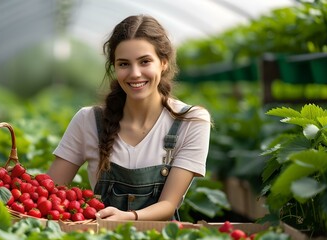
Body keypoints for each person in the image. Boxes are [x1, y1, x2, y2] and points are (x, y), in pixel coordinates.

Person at [47, 14, 211, 221]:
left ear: (163, 63)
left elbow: (168, 205)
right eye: (124, 64)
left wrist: (128, 217)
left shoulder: (190, 121)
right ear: (114, 67)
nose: (135, 73)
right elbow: (49, 190)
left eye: (144, 62)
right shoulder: (88, 120)